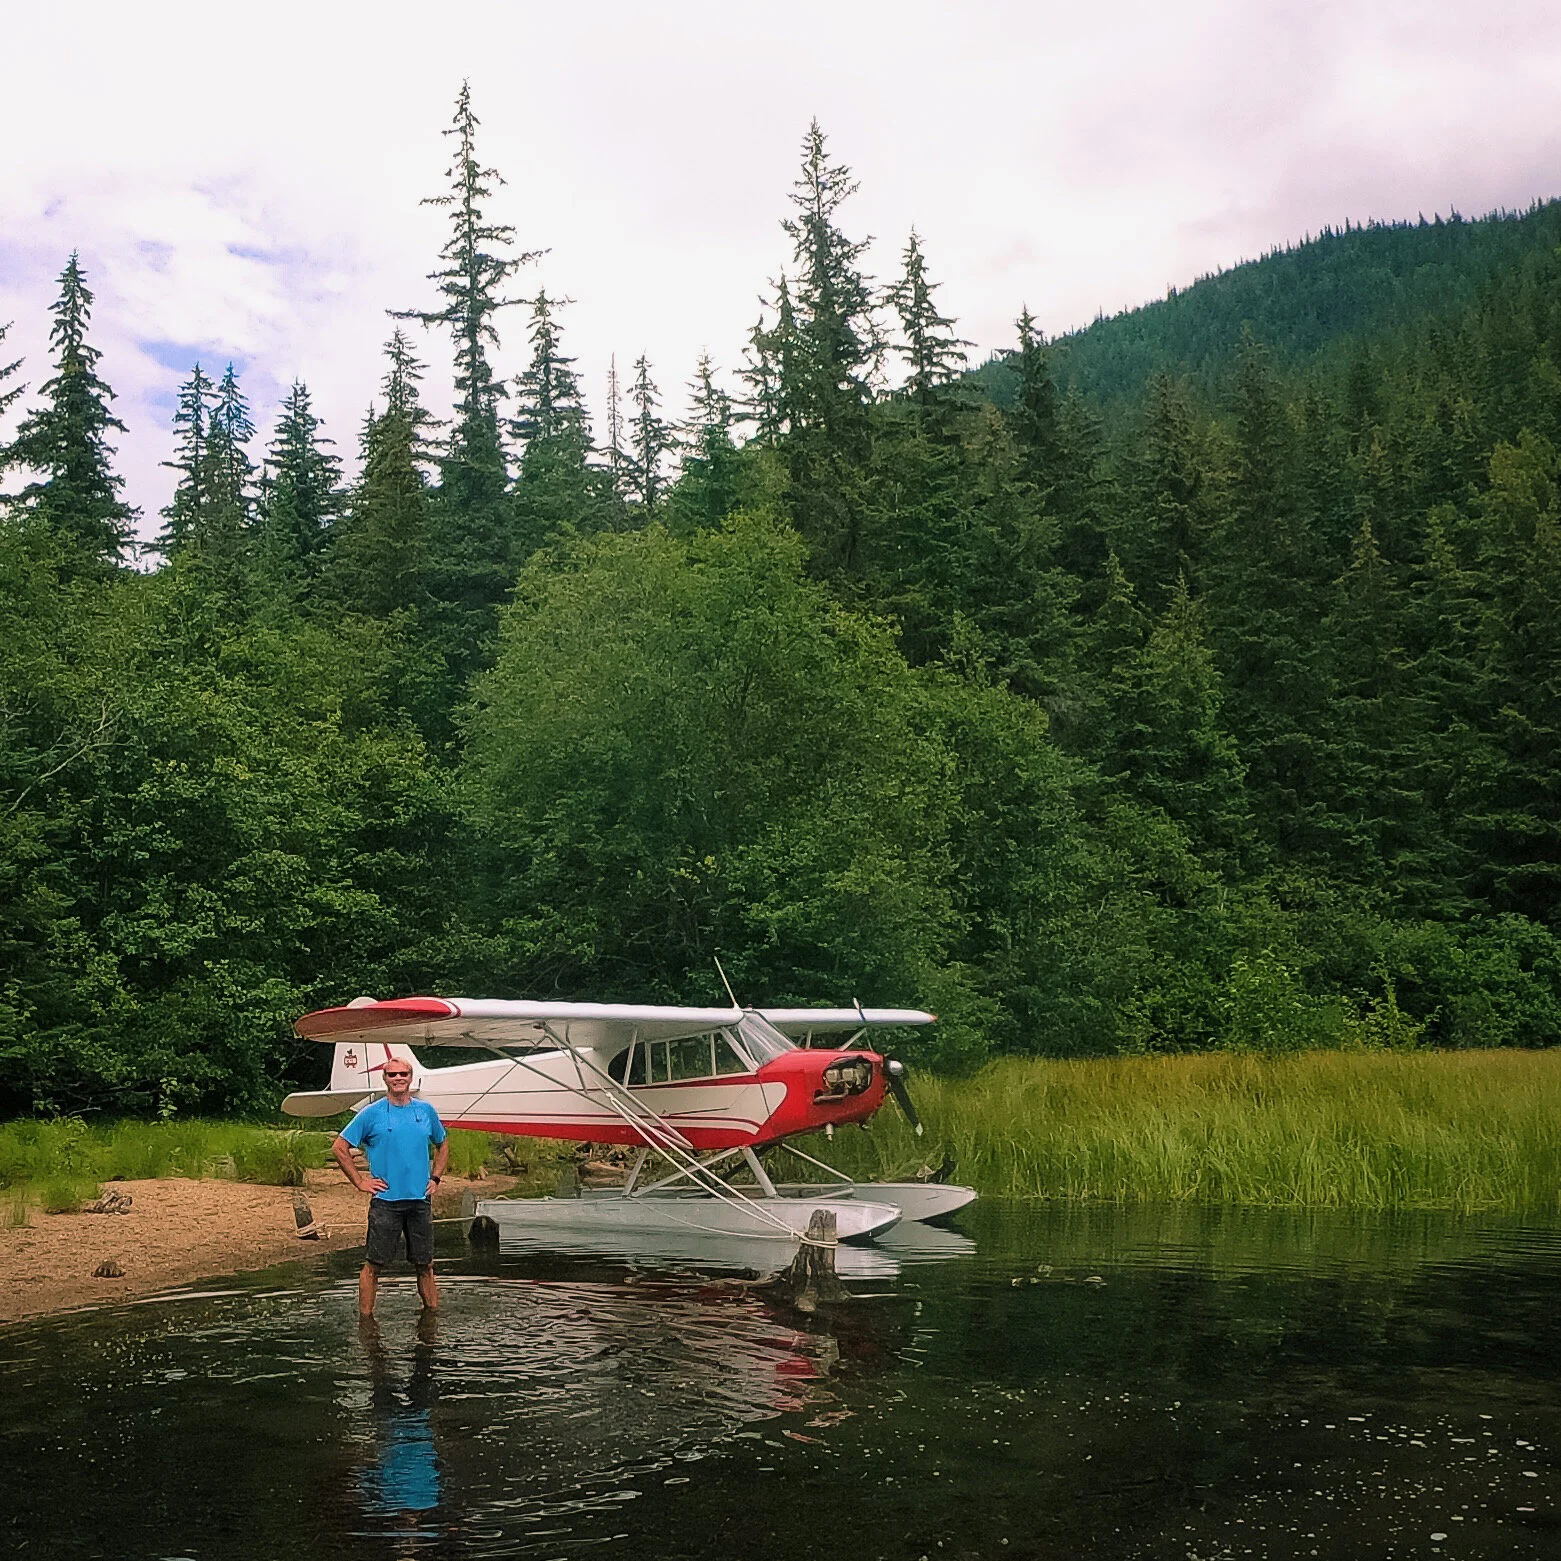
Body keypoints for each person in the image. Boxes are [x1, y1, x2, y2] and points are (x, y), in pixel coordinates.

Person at [333, 1058, 449, 1316]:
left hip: (420, 1200)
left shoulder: (425, 1111)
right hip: (386, 1201)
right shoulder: (371, 1113)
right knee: (374, 1264)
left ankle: (432, 1320)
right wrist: (360, 1181)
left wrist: (436, 1177)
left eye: (403, 1074)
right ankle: (365, 1320)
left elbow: (443, 1144)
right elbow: (339, 1147)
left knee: (425, 1264)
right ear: (384, 1079)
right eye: (392, 1074)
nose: (398, 1078)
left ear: (411, 1078)